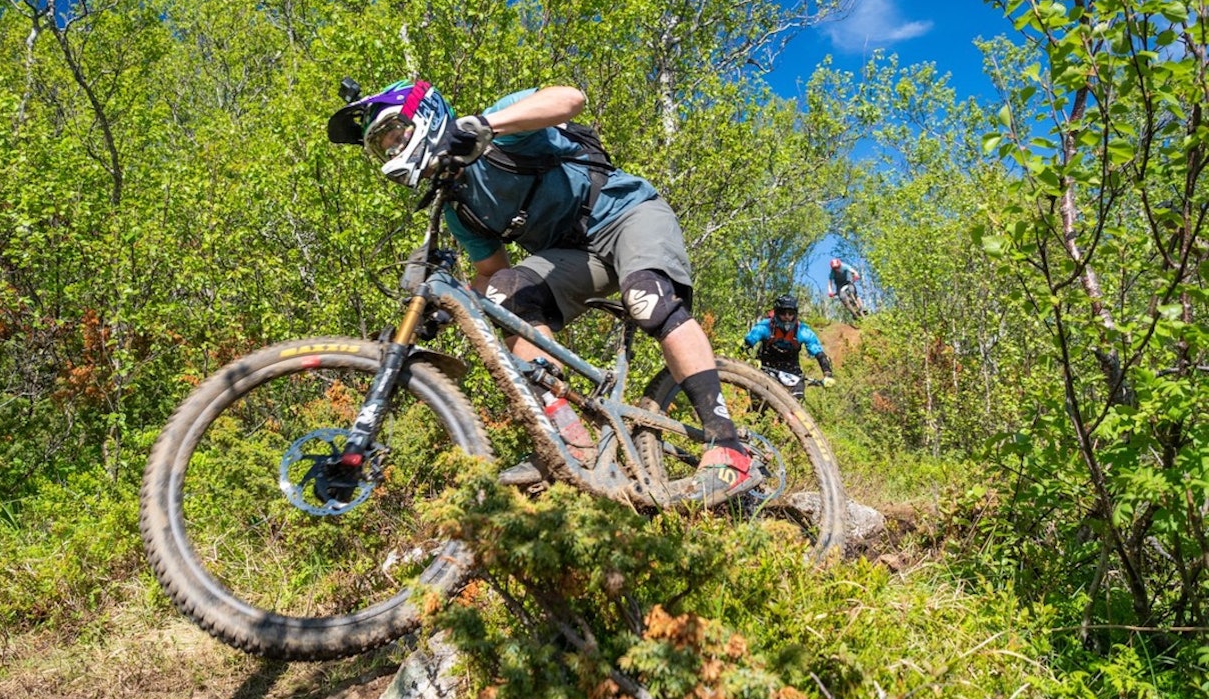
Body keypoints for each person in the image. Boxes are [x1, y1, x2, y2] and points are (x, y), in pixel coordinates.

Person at [330, 79, 764, 506]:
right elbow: (493, 274)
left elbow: (570, 99)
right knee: (507, 300)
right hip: (573, 256)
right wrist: (447, 308)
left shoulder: (496, 132)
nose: (389, 150)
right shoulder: (461, 208)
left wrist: (488, 123)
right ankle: (571, 445)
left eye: (392, 134)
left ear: (421, 116)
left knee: (648, 299)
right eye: (379, 146)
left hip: (627, 214)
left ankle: (728, 446)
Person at [742, 294, 834, 397]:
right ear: (776, 313)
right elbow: (745, 345)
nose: (787, 317)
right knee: (759, 399)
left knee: (797, 398)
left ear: (795, 314)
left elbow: (819, 353)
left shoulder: (803, 331)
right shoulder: (764, 327)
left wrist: (828, 374)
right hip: (766, 366)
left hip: (791, 369)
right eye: (783, 313)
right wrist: (749, 359)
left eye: (791, 313)